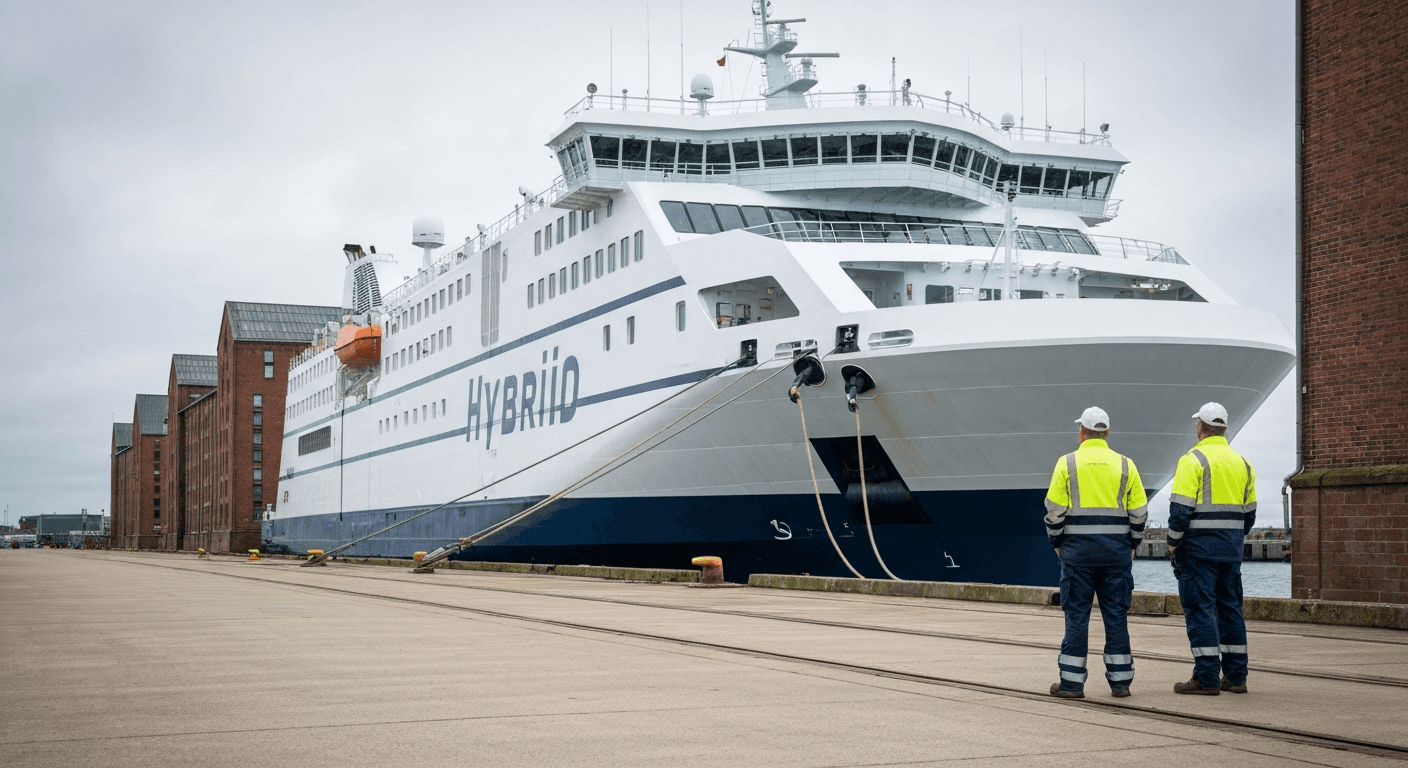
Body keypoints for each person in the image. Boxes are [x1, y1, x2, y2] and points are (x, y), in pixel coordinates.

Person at [1043, 406, 1149, 699]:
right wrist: (1132, 544)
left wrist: (1058, 545)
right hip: (1116, 555)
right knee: (1116, 616)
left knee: (1077, 616)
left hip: (1077, 555)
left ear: (1082, 433)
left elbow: (1054, 513)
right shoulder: (1126, 465)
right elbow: (1139, 512)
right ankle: (1121, 682)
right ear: (1107, 433)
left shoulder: (1067, 464)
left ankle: (1072, 684)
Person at [1168, 402, 1257, 695]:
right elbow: (1249, 514)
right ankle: (1236, 677)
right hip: (1230, 550)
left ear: (1200, 428)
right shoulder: (1242, 463)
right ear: (1224, 428)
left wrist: (1172, 543)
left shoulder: (1192, 460)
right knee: (1231, 609)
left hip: (1198, 550)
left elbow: (1180, 511)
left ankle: (1206, 678)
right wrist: (1231, 537)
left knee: (1200, 609)